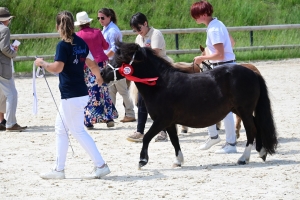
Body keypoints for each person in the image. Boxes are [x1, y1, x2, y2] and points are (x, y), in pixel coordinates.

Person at [35, 11, 110, 179]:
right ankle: (59, 169)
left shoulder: (62, 45)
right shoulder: (81, 42)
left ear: (57, 26)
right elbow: (92, 64)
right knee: (61, 129)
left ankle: (101, 165)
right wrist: (98, 77)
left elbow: (57, 68)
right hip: (80, 92)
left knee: (77, 131)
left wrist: (42, 63)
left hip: (71, 94)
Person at [191, 0, 237, 154]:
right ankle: (213, 136)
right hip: (224, 66)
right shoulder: (217, 25)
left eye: (196, 15)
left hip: (223, 69)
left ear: (203, 14)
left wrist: (201, 58)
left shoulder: (214, 29)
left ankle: (230, 143)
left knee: (225, 108)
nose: (194, 19)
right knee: (208, 103)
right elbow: (232, 42)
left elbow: (220, 54)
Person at [126, 12, 173, 143]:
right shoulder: (139, 38)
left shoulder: (155, 34)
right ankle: (140, 131)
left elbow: (155, 53)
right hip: (146, 74)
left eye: (139, 28)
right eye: (135, 30)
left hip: (159, 73)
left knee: (159, 104)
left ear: (145, 23)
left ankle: (163, 131)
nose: (137, 32)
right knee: (141, 101)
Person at [74, 11, 118, 129]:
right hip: (102, 62)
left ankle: (89, 119)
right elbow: (106, 46)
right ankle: (109, 117)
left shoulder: (78, 36)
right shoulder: (97, 32)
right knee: (104, 89)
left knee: (91, 91)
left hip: (88, 65)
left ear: (79, 24)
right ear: (88, 22)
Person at [98, 8, 136, 123]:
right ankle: (110, 114)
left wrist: (104, 58)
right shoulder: (106, 29)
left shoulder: (113, 31)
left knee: (122, 89)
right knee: (111, 90)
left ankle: (130, 113)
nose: (100, 20)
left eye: (102, 18)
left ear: (109, 17)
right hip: (111, 63)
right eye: (98, 18)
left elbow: (114, 48)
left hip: (115, 64)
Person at [0, 7, 27, 132]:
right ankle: (10, 123)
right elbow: (4, 48)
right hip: (2, 67)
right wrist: (13, 52)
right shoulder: (4, 29)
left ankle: (2, 121)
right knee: (12, 94)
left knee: (2, 95)